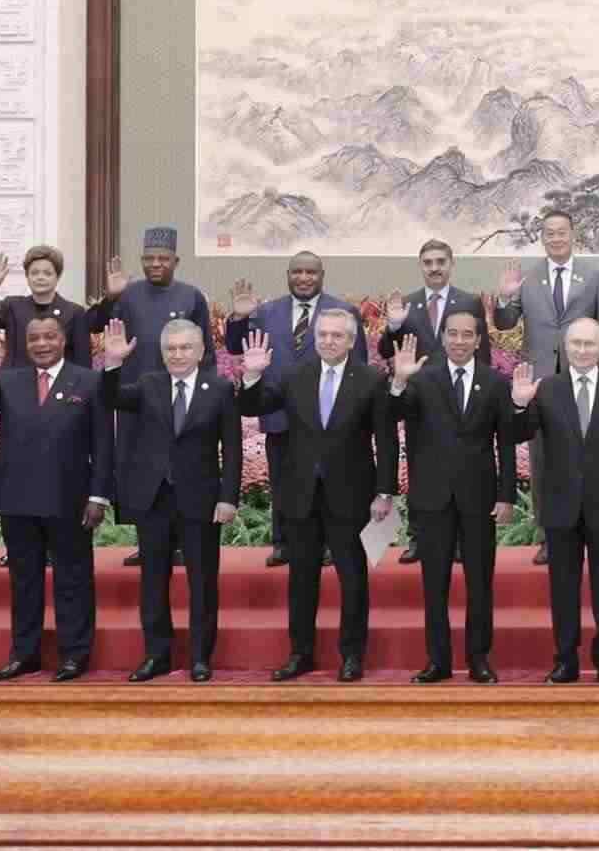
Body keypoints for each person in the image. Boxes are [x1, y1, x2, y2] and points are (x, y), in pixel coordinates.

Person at [0, 310, 112, 682]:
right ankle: (24, 655)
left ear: (63, 340)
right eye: (34, 338)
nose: (42, 344)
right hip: (17, 496)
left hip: (70, 498)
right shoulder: (10, 380)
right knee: (24, 581)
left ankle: (74, 656)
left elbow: (104, 443)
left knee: (73, 580)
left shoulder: (89, 381)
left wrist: (99, 495)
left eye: (49, 336)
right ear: (26, 343)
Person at [237, 308, 395, 682]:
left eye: (336, 335)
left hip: (351, 495)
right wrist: (253, 376)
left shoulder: (371, 380)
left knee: (352, 579)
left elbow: (387, 441)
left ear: (351, 341)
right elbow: (252, 406)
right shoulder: (296, 376)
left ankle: (352, 656)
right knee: (301, 579)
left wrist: (385, 492)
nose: (328, 341)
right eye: (322, 334)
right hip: (301, 495)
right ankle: (300, 654)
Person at [94, 317, 243, 682]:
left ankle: (200, 657)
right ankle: (156, 655)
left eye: (185, 348)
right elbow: (110, 397)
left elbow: (233, 449)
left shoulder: (220, 388)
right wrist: (112, 364)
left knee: (202, 582)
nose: (177, 355)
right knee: (153, 581)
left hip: (201, 500)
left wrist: (228, 498)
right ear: (162, 354)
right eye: (171, 349)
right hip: (154, 499)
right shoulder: (149, 384)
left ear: (201, 351)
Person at [386, 308, 520, 683]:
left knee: (480, 583)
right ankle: (438, 661)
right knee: (434, 585)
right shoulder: (421, 379)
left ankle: (479, 659)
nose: (459, 341)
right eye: (453, 334)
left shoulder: (495, 382)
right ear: (443, 337)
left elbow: (506, 443)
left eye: (467, 335)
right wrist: (399, 381)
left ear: (478, 341)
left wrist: (506, 495)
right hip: (433, 498)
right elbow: (393, 414)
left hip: (479, 498)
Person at [508, 316, 599, 682]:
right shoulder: (547, 389)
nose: (582, 350)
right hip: (560, 504)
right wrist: (519, 404)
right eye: (576, 343)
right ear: (565, 347)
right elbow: (519, 433)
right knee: (563, 588)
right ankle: (565, 660)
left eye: (590, 344)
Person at [489, 209, 599, 565]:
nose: (555, 238)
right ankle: (547, 535)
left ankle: (593, 532)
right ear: (542, 238)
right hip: (541, 384)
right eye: (549, 233)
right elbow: (505, 323)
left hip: (584, 377)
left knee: (589, 456)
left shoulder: (595, 276)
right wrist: (504, 298)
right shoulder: (528, 279)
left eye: (561, 232)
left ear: (573, 235)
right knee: (542, 460)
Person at [88, 225, 214, 566]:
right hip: (136, 398)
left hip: (181, 399)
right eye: (148, 259)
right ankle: (150, 546)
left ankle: (181, 544)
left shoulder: (191, 297)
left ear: (176, 260)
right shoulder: (127, 296)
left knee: (180, 468)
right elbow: (97, 326)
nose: (155, 264)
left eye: (162, 258)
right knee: (140, 471)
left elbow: (207, 351)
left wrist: (205, 397)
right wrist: (110, 298)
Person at [222, 251, 355, 567]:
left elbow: (357, 365)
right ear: (288, 275)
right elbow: (237, 347)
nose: (304, 278)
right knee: (282, 482)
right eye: (297, 272)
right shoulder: (266, 312)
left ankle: (328, 544)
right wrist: (240, 319)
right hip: (278, 414)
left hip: (326, 418)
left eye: (311, 272)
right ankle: (284, 544)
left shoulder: (342, 312)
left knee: (327, 483)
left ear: (321, 275)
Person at [377, 238, 487, 565]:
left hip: (461, 397)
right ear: (420, 266)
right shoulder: (406, 305)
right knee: (420, 469)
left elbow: (482, 351)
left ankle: (458, 540)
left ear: (451, 264)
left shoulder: (469, 301)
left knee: (463, 468)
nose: (434, 268)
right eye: (428, 262)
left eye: (440, 261)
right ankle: (419, 538)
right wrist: (394, 326)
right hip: (419, 400)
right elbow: (385, 351)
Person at [0, 243, 92, 369]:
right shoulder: (12, 306)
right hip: (14, 379)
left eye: (47, 273)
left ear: (58, 277)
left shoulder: (74, 312)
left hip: (59, 381)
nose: (40, 277)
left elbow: (83, 363)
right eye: (34, 273)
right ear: (27, 276)